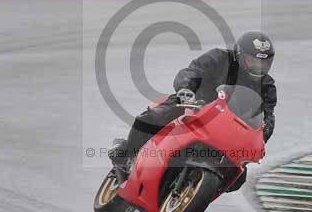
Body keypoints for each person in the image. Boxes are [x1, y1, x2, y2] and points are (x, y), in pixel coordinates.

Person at [109, 30, 277, 185]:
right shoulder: (219, 58)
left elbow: (267, 117)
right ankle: (127, 155)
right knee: (156, 116)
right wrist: (186, 89)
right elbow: (192, 71)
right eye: (252, 60)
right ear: (240, 54)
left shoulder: (267, 86)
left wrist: (261, 137)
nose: (257, 66)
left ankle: (197, 188)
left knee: (238, 178)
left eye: (263, 63)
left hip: (227, 128)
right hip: (195, 105)